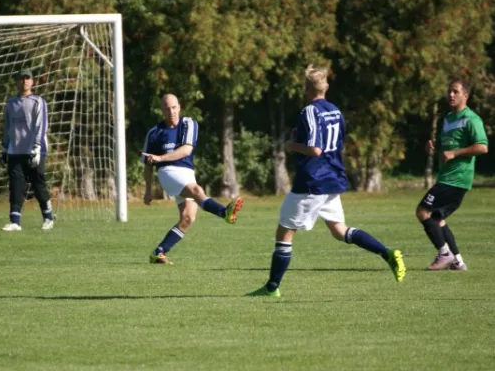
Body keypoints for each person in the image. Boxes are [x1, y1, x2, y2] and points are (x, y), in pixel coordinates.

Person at [247, 65, 406, 298]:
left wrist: (292, 146)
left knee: (285, 232)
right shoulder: (335, 111)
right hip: (331, 178)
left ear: (305, 88)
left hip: (312, 181)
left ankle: (272, 288)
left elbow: (316, 149)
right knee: (339, 231)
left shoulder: (309, 112)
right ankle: (388, 252)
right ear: (326, 88)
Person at [142, 93, 243, 265]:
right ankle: (224, 212)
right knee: (197, 191)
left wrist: (160, 157)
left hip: (187, 172)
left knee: (188, 218)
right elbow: (148, 164)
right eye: (167, 109)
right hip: (168, 173)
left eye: (174, 107)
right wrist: (148, 190)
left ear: (179, 107)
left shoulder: (188, 123)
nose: (171, 111)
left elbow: (186, 150)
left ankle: (158, 252)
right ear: (162, 111)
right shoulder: (154, 133)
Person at [416, 78, 488, 271]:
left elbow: (482, 147)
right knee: (438, 219)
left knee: (423, 212)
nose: (451, 94)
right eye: (449, 91)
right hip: (446, 176)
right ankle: (458, 261)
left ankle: (444, 254)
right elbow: (446, 145)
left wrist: (455, 153)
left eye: (456, 91)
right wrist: (435, 146)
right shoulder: (448, 118)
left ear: (466, 95)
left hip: (457, 177)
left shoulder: (471, 119)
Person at [0, 68, 54, 231]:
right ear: (16, 82)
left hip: (34, 150)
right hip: (15, 151)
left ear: (32, 81)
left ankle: (48, 218)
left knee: (38, 184)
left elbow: (41, 125)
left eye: (27, 78)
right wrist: (4, 148)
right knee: (16, 186)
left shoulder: (38, 101)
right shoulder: (10, 103)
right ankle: (15, 221)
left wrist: (37, 148)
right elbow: (8, 127)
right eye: (21, 79)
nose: (24, 81)